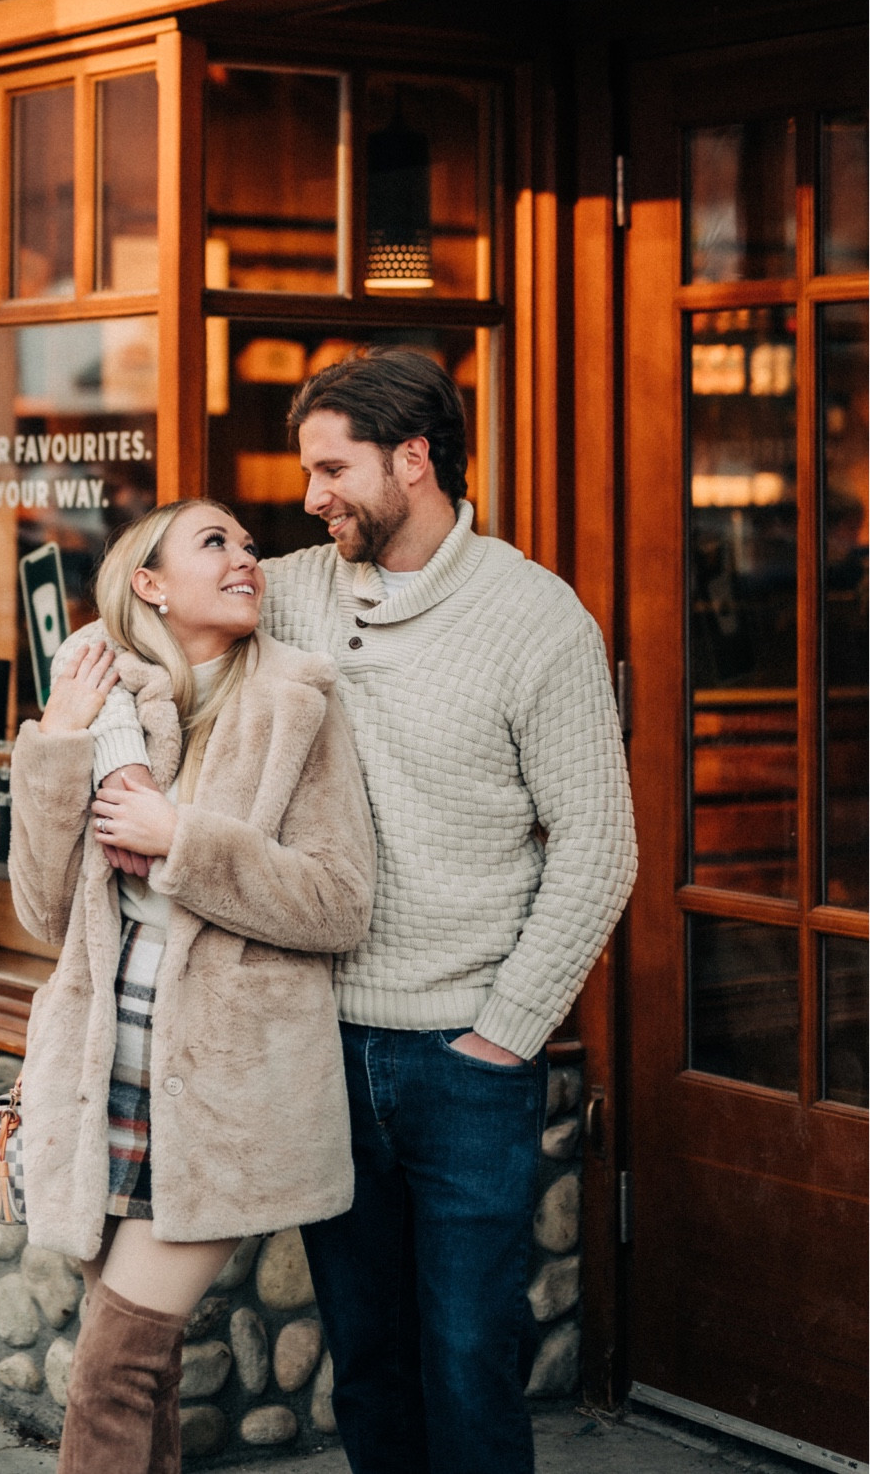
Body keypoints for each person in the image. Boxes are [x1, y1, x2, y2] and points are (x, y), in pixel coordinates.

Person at [86, 350, 638, 1474]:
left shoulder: (538, 622)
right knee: (366, 1359)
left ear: (413, 460)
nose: (308, 497)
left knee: (469, 1356)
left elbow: (598, 850)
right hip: (315, 1046)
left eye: (331, 468)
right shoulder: (286, 589)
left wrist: (504, 1034)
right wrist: (85, 705)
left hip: (463, 1061)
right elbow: (144, 623)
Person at [8, 498, 376, 1474]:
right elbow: (44, 915)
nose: (245, 557)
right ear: (150, 585)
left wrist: (184, 843)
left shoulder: (299, 702)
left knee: (111, 1369)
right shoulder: (108, 708)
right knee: (147, 1371)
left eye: (249, 544)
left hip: (224, 1095)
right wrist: (56, 736)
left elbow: (340, 903)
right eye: (214, 542)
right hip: (107, 1082)